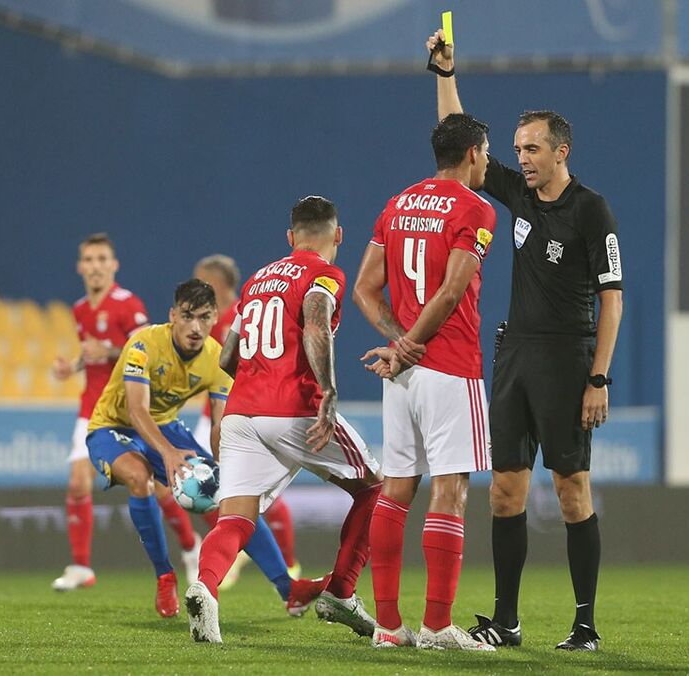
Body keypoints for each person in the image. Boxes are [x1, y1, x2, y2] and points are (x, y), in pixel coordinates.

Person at [425, 31, 625, 652]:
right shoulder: (518, 195)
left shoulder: (592, 211)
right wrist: (445, 74)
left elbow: (612, 298)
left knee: (571, 492)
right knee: (506, 491)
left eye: (532, 148)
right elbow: (459, 138)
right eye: (516, 149)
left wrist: (598, 377)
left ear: (562, 151)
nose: (522, 158)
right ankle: (505, 622)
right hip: (514, 358)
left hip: (568, 360)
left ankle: (585, 625)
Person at [185, 196, 384, 644]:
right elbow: (315, 322)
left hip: (241, 412)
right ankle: (341, 591)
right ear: (338, 235)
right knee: (376, 487)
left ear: (291, 237)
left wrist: (258, 382)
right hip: (294, 408)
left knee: (235, 518)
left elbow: (229, 356)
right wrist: (328, 390)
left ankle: (205, 587)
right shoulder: (325, 274)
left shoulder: (258, 279)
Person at [353, 113, 498, 652]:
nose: (487, 161)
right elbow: (451, 292)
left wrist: (399, 343)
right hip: (449, 365)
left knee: (396, 490)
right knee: (450, 489)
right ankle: (437, 626)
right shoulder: (476, 208)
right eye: (486, 152)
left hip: (403, 375)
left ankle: (389, 628)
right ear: (472, 154)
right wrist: (412, 343)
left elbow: (364, 288)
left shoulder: (397, 204)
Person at [85, 278, 301, 618]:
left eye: (204, 317)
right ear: (173, 315)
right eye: (187, 316)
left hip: (166, 427)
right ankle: (165, 576)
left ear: (215, 317)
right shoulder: (143, 345)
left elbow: (220, 423)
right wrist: (168, 452)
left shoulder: (218, 358)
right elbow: (137, 411)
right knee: (140, 477)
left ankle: (288, 589)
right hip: (112, 427)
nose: (195, 327)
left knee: (235, 497)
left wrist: (228, 467)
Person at [50, 233, 203, 592]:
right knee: (77, 482)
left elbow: (147, 351)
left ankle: (189, 546)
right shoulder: (80, 309)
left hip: (131, 408)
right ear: (80, 267)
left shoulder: (127, 304)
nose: (95, 266)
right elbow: (92, 352)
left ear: (114, 265)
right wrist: (73, 366)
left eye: (102, 259)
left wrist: (107, 350)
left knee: (160, 490)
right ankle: (81, 566)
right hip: (93, 408)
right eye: (89, 260)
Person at [193, 254, 301, 581]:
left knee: (254, 488)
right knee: (202, 485)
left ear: (216, 284)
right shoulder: (207, 320)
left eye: (202, 280)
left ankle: (288, 563)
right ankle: (233, 548)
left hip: (244, 410)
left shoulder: (244, 312)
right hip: (212, 412)